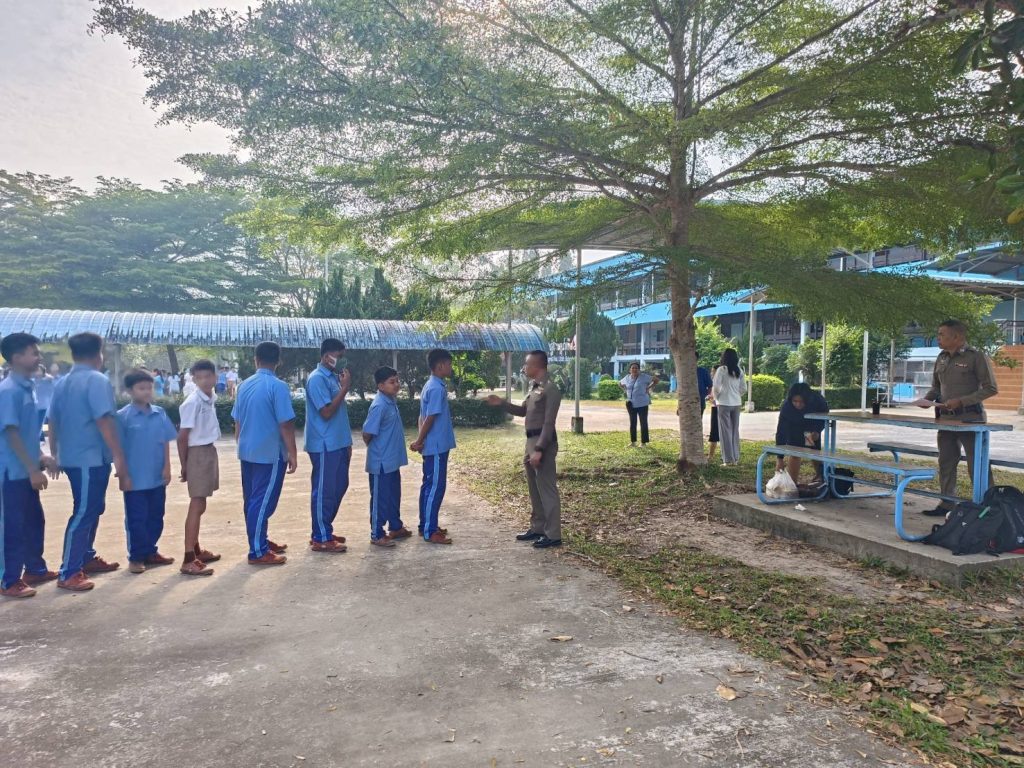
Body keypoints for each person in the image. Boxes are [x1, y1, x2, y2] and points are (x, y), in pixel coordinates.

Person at [48, 332, 130, 591]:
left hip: (76, 456)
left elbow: (53, 420)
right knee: (84, 511)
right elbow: (104, 420)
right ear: (98, 354)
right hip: (89, 457)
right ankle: (69, 571)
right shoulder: (96, 380)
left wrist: (55, 452)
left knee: (92, 508)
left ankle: (85, 556)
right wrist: (119, 456)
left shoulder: (62, 382)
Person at [918, 319, 999, 517]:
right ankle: (947, 503)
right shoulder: (942, 357)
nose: (938, 338)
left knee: (977, 464)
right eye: (938, 334)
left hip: (971, 418)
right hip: (946, 419)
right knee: (946, 461)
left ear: (957, 337)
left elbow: (991, 388)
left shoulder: (976, 357)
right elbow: (936, 387)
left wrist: (962, 401)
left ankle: (988, 508)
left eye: (942, 334)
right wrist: (927, 399)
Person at [0, 333, 59, 598]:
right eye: (33, 352)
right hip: (11, 471)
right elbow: (11, 432)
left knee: (34, 520)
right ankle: (8, 579)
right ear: (16, 358)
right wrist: (32, 469)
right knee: (11, 526)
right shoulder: (9, 391)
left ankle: (34, 568)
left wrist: (41, 456)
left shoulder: (27, 387)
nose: (39, 357)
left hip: (24, 468)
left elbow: (28, 432)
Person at [486, 350, 562, 549]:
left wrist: (539, 449)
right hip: (530, 442)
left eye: (527, 364)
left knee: (546, 488)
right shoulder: (534, 388)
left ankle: (553, 534)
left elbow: (549, 423)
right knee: (534, 489)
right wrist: (502, 403)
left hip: (542, 443)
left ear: (537, 365)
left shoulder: (550, 389)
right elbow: (523, 411)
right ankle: (538, 528)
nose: (524, 367)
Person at [232, 341, 297, 565]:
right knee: (262, 501)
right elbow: (285, 423)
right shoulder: (278, 387)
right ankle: (258, 550)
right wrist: (292, 452)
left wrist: (240, 443)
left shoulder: (243, 386)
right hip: (269, 452)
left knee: (252, 499)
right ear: (278, 361)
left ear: (255, 359)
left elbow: (237, 421)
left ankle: (259, 540)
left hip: (247, 450)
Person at [116, 369, 178, 574]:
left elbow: (165, 441)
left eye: (149, 387)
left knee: (156, 516)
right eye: (141, 388)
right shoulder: (123, 417)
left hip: (156, 476)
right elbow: (117, 449)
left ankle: (150, 551)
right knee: (136, 519)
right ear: (129, 391)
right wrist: (122, 474)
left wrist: (167, 466)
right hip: (134, 479)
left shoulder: (159, 413)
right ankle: (136, 557)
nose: (146, 391)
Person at [304, 338, 352, 554]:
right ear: (326, 356)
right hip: (324, 444)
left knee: (339, 486)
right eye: (338, 356)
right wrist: (345, 389)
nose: (341, 360)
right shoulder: (317, 379)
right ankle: (320, 537)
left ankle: (323, 528)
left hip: (338, 442)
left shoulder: (332, 378)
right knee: (324, 490)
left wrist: (347, 443)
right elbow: (326, 412)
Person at [176, 359, 221, 576]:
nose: (204, 381)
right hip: (197, 453)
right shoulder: (192, 402)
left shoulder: (210, 398)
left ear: (215, 377)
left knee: (201, 503)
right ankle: (188, 558)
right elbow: (182, 437)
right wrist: (185, 465)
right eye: (199, 377)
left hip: (208, 450)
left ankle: (195, 549)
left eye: (208, 376)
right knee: (197, 503)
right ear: (193, 379)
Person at [362, 366, 412, 548]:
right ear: (381, 385)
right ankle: (377, 533)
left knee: (393, 495)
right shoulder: (379, 405)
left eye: (397, 381)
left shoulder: (390, 401)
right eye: (392, 382)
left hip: (392, 461)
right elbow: (367, 433)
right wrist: (377, 451)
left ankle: (395, 526)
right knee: (380, 499)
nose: (396, 384)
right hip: (381, 462)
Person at [410, 348, 455, 545]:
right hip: (436, 447)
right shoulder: (436, 388)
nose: (451, 368)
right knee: (435, 487)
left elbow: (422, 416)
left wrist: (421, 440)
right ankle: (430, 530)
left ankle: (426, 525)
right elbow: (430, 417)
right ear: (440, 366)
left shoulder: (430, 385)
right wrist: (420, 440)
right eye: (449, 364)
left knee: (428, 485)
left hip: (434, 445)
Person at [774, 382, 829, 483]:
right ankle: (792, 483)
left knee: (814, 450)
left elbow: (824, 416)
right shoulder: (787, 407)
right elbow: (781, 431)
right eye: (795, 401)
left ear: (808, 399)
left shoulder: (817, 400)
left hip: (811, 425)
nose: (798, 404)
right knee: (795, 452)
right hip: (794, 426)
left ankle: (821, 476)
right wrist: (779, 458)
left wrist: (817, 430)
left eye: (802, 402)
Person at [712, 348, 745, 466]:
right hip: (736, 403)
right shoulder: (739, 370)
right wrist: (736, 395)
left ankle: (727, 460)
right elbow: (743, 388)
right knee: (735, 431)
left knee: (725, 431)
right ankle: (735, 458)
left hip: (724, 403)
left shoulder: (721, 369)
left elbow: (716, 387)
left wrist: (717, 398)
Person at [619, 362, 658, 447]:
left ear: (639, 369)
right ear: (630, 370)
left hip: (642, 403)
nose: (634, 369)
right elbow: (620, 383)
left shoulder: (644, 377)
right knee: (633, 423)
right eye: (632, 368)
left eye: (636, 368)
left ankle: (643, 442)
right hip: (630, 404)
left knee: (643, 422)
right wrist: (625, 390)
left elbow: (656, 380)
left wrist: (648, 388)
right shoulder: (627, 377)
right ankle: (633, 442)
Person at [34, 364, 55, 443]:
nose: (37, 372)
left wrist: (45, 374)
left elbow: (52, 378)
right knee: (37, 424)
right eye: (36, 370)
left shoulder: (47, 380)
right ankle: (40, 438)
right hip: (35, 406)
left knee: (41, 423)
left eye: (39, 370)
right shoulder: (33, 381)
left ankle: (40, 439)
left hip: (44, 406)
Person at [696, 352, 713, 417]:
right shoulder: (684, 372)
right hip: (686, 402)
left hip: (700, 401)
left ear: (697, 359)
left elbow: (710, 386)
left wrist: (704, 396)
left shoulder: (703, 371)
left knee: (698, 419)